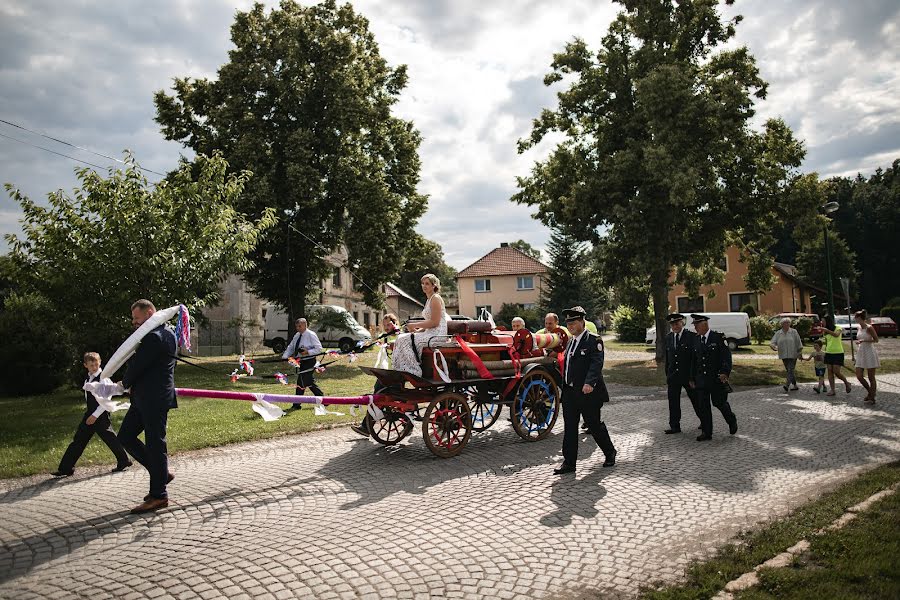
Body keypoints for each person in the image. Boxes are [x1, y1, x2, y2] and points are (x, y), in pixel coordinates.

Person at [117, 299, 177, 514]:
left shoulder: (153, 336)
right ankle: (160, 474)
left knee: (155, 444)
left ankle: (159, 495)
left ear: (150, 313)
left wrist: (123, 384)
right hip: (145, 397)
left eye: (136, 318)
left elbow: (136, 367)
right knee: (125, 436)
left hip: (153, 398)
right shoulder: (167, 332)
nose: (134, 322)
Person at [553, 306, 616, 474]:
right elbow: (567, 366)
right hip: (570, 393)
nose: (570, 325)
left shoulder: (593, 340)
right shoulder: (571, 341)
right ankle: (569, 463)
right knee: (570, 428)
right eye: (568, 322)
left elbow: (596, 363)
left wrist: (589, 383)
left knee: (594, 426)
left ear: (582, 322)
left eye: (573, 322)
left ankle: (610, 452)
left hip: (588, 393)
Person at [51, 352, 132, 477]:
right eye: (91, 365)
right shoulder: (88, 379)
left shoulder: (103, 378)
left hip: (99, 414)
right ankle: (66, 468)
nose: (94, 367)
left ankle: (124, 460)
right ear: (85, 365)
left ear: (100, 363)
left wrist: (95, 415)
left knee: (110, 438)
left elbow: (107, 398)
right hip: (90, 413)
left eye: (96, 364)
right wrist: (90, 413)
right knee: (79, 440)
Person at [351, 313, 400, 437]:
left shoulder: (401, 336)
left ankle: (366, 427)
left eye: (389, 324)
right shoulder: (384, 337)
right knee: (378, 398)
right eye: (384, 325)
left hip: (396, 374)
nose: (387, 327)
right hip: (385, 373)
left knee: (377, 398)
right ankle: (406, 424)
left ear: (395, 323)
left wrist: (393, 346)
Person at [690, 314, 737, 441]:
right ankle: (707, 432)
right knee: (703, 406)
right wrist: (691, 378)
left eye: (697, 325)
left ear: (704, 324)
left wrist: (725, 372)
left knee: (719, 403)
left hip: (716, 379)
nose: (695, 328)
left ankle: (731, 419)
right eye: (694, 325)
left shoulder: (718, 338)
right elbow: (694, 361)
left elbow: (726, 357)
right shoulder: (696, 340)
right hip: (701, 379)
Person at [392, 274, 448, 377]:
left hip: (438, 334)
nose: (424, 286)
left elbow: (435, 322)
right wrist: (418, 330)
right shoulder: (429, 299)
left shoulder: (435, 298)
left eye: (427, 283)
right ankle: (401, 368)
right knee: (400, 338)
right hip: (431, 332)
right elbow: (430, 323)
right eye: (422, 283)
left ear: (434, 285)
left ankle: (414, 371)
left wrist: (415, 325)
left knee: (404, 340)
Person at [663, 313, 699, 434]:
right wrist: (667, 374)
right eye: (672, 324)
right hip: (673, 376)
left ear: (682, 323)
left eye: (677, 323)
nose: (675, 326)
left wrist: (693, 376)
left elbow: (695, 358)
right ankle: (674, 426)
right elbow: (668, 358)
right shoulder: (668, 338)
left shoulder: (691, 336)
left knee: (696, 400)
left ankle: (704, 422)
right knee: (673, 402)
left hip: (688, 376)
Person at [282, 317, 324, 409]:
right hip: (301, 361)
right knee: (308, 381)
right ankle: (323, 400)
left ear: (305, 325)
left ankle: (296, 404)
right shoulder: (297, 335)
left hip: (310, 360)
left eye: (299, 326)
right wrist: (285, 357)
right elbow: (291, 347)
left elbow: (319, 349)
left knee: (301, 381)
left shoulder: (311, 335)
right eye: (296, 326)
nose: (298, 328)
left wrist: (308, 352)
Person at [853, 310, 880, 404]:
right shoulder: (858, 327)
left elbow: (876, 340)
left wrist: (864, 340)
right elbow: (859, 338)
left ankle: (872, 396)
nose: (854, 319)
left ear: (860, 318)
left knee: (871, 376)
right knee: (859, 375)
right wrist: (860, 342)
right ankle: (870, 392)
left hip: (869, 351)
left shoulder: (869, 327)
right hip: (861, 352)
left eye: (856, 317)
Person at [770, 318, 804, 392]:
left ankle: (787, 385)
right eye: (785, 323)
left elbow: (798, 342)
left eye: (788, 323)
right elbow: (772, 342)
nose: (787, 324)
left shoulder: (794, 332)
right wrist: (773, 347)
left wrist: (800, 352)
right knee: (789, 371)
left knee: (790, 369)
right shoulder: (778, 333)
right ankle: (795, 385)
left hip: (793, 354)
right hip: (783, 354)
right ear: (782, 324)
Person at [821, 317, 851, 397]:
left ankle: (846, 383)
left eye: (823, 321)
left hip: (838, 352)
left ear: (828, 321)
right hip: (829, 353)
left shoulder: (838, 328)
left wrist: (826, 331)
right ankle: (832, 390)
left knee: (836, 371)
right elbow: (827, 342)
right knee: (830, 372)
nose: (822, 322)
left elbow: (836, 335)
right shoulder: (825, 332)